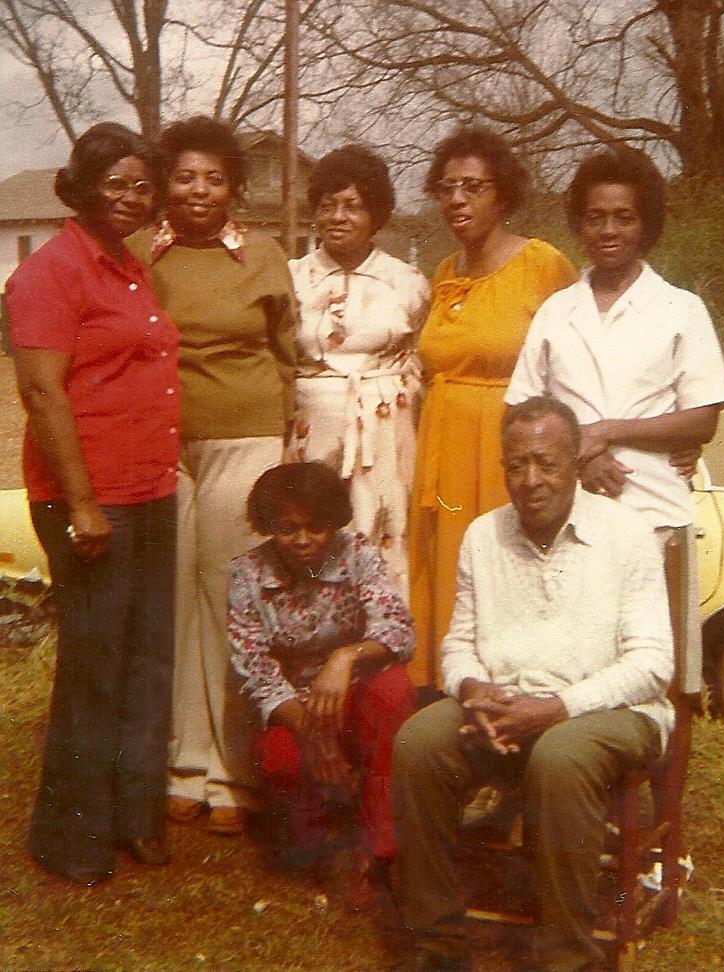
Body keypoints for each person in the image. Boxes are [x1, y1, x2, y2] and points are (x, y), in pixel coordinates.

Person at [392, 397, 674, 972]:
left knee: (562, 755)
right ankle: (437, 944)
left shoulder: (628, 535)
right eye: (516, 465)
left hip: (613, 710)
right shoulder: (481, 536)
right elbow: (458, 643)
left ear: (575, 463)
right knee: (418, 741)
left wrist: (557, 708)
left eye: (546, 463)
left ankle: (569, 956)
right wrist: (469, 688)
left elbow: (651, 664)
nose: (530, 481)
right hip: (505, 707)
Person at [7, 123, 180, 884]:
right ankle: (71, 836)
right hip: (88, 498)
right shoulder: (48, 272)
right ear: (80, 187)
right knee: (95, 665)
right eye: (114, 181)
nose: (130, 196)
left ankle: (134, 817)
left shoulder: (135, 270)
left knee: (147, 660)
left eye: (142, 184)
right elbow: (42, 393)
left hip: (153, 490)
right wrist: (82, 504)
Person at [506, 145, 724, 695]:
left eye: (623, 217)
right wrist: (579, 457)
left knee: (667, 676)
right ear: (579, 224)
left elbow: (701, 419)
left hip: (656, 510)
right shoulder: (558, 310)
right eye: (594, 217)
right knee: (583, 676)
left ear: (646, 224)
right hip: (571, 516)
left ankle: (665, 786)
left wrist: (605, 432)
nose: (608, 230)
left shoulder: (681, 308)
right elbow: (520, 409)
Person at [127, 115, 297, 835]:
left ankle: (235, 775)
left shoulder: (263, 256)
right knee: (176, 600)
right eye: (185, 176)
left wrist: (281, 439)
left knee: (233, 599)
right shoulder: (138, 252)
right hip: (162, 446)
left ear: (234, 187)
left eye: (214, 177)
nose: (199, 190)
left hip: (244, 439)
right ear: (165, 182)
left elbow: (287, 351)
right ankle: (183, 763)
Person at [408, 125, 576, 686]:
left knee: (508, 570)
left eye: (473, 187)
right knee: (449, 571)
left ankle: (516, 699)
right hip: (442, 446)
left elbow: (579, 359)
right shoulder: (443, 273)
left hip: (509, 447)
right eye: (448, 187)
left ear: (502, 196)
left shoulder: (542, 264)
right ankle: (449, 693)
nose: (457, 199)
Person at [227, 462, 415, 902]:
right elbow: (254, 669)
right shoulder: (246, 574)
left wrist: (344, 657)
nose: (304, 540)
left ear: (334, 521)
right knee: (281, 759)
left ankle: (381, 849)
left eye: (316, 527)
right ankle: (321, 845)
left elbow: (398, 629)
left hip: (357, 689)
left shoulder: (358, 554)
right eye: (288, 529)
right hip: (296, 706)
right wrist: (312, 732)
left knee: (395, 692)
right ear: (268, 526)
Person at [287, 145, 429, 596]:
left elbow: (423, 354)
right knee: (310, 538)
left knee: (382, 537)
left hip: (385, 430)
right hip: (315, 430)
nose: (338, 217)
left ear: (376, 214)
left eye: (353, 206)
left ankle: (381, 651)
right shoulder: (292, 277)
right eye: (327, 206)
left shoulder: (407, 281)